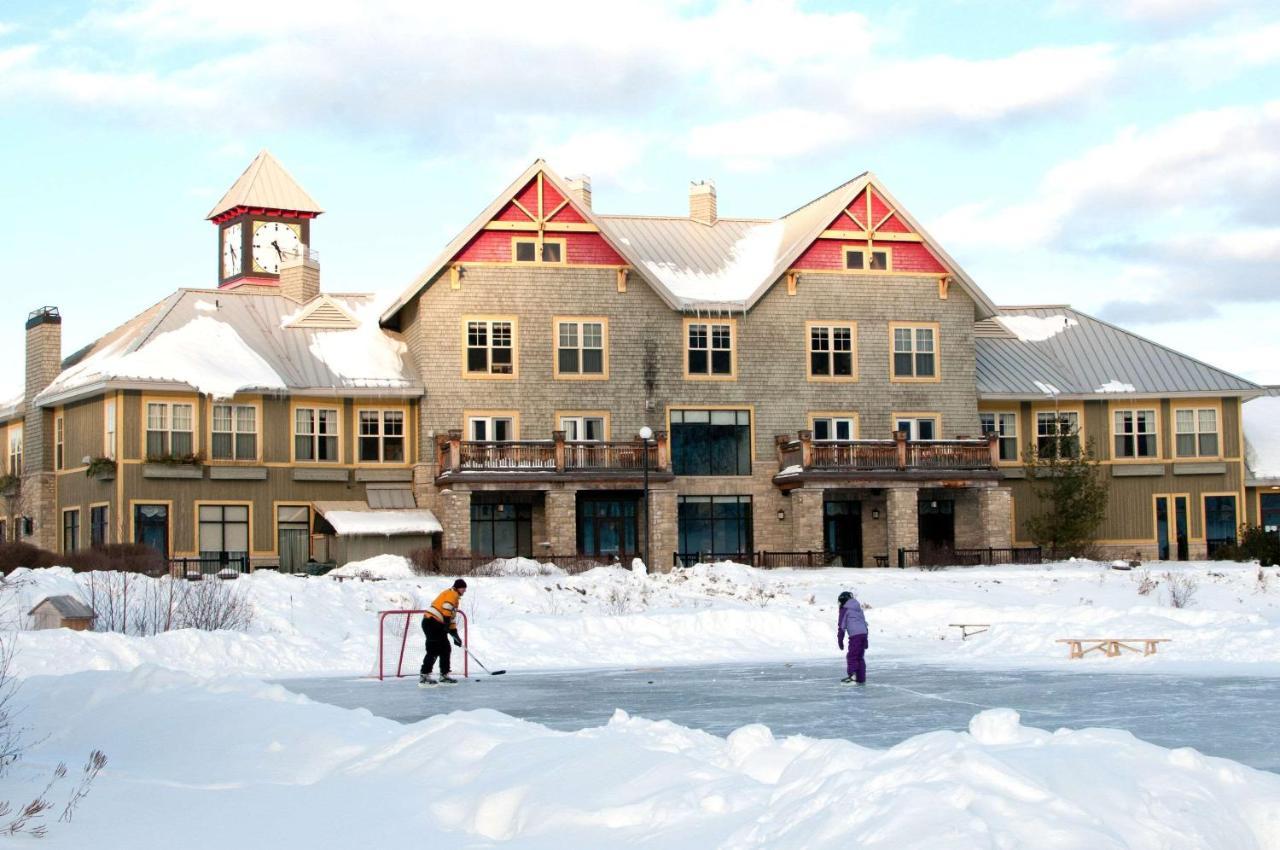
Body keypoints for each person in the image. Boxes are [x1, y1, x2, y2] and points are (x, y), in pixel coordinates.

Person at [420, 579, 466, 686]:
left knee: (445, 648)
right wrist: (446, 625)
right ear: (458, 588)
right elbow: (446, 609)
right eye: (463, 588)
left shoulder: (455, 598)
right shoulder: (452, 594)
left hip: (437, 624)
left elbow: (451, 618)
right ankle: (424, 675)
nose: (464, 590)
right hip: (431, 622)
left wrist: (455, 635)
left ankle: (444, 675)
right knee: (433, 649)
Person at [836, 590, 868, 684]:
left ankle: (853, 677)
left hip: (855, 636)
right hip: (863, 634)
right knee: (859, 657)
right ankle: (860, 678)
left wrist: (840, 640)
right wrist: (866, 640)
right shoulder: (858, 609)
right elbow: (864, 623)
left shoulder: (845, 609)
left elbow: (841, 626)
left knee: (852, 656)